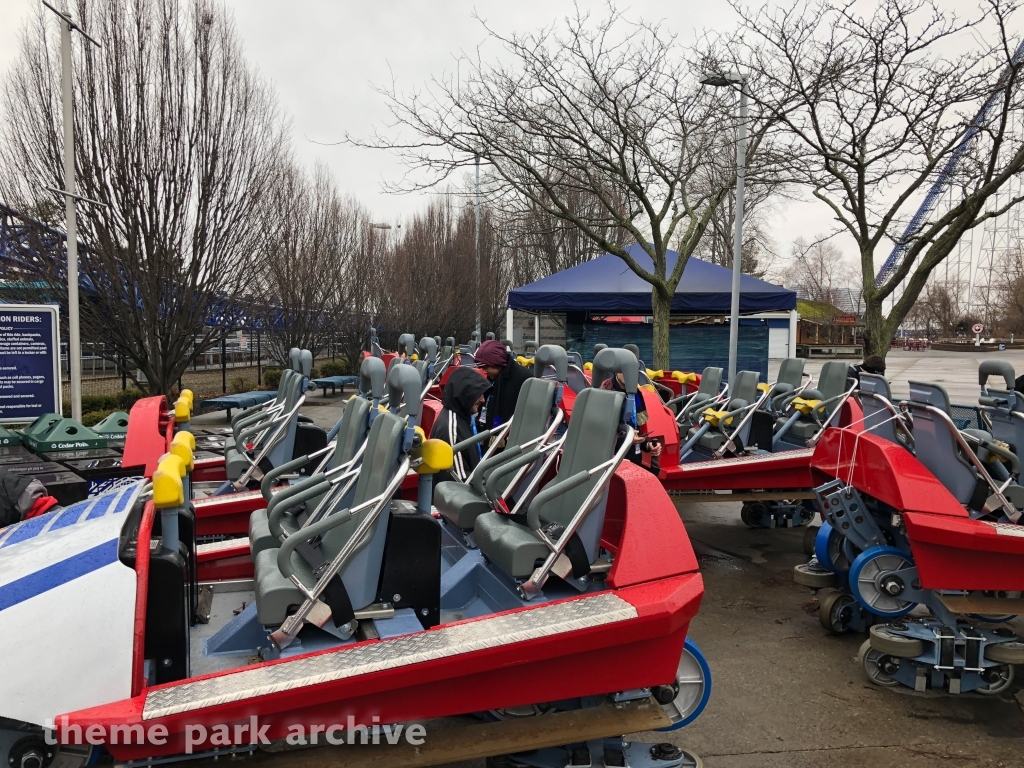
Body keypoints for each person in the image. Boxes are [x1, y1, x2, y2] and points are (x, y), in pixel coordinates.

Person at [430, 366, 493, 485]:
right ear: (465, 394)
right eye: (478, 395)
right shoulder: (452, 429)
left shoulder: (460, 418)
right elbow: (461, 480)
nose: (483, 400)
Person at [601, 372, 663, 470]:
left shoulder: (636, 394)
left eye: (632, 368)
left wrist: (648, 444)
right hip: (610, 464)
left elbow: (637, 428)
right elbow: (600, 435)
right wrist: (626, 439)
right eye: (623, 370)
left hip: (633, 460)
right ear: (616, 371)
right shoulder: (604, 394)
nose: (628, 372)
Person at [475, 339, 532, 430]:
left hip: (508, 435)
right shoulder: (493, 377)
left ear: (497, 363)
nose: (484, 371)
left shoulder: (523, 378)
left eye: (486, 367)